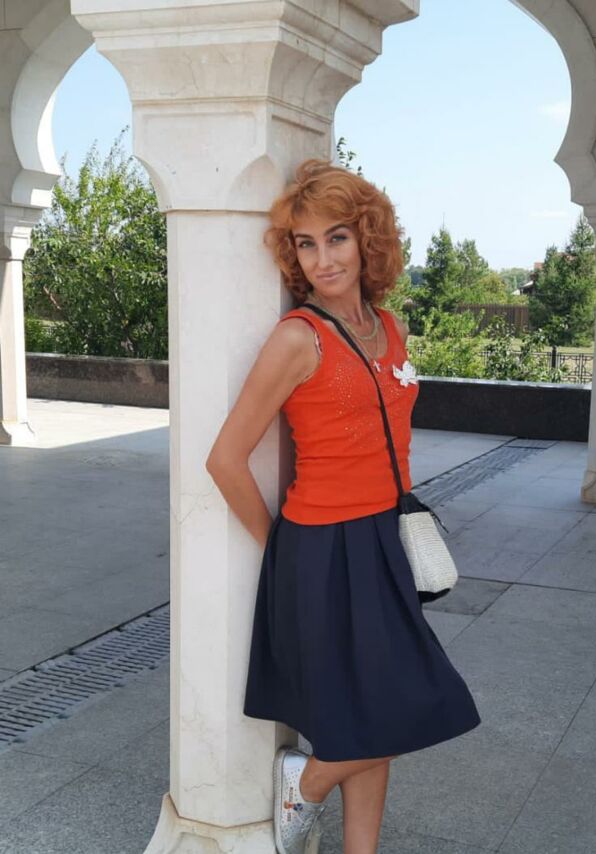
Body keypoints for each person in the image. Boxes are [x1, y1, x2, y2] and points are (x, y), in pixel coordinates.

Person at [205, 159, 481, 854]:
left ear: (367, 240)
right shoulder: (298, 337)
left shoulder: (389, 327)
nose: (322, 259)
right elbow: (225, 459)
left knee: (374, 711)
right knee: (402, 708)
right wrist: (282, 549)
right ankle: (309, 783)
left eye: (336, 238)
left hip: (386, 537)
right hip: (324, 548)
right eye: (306, 243)